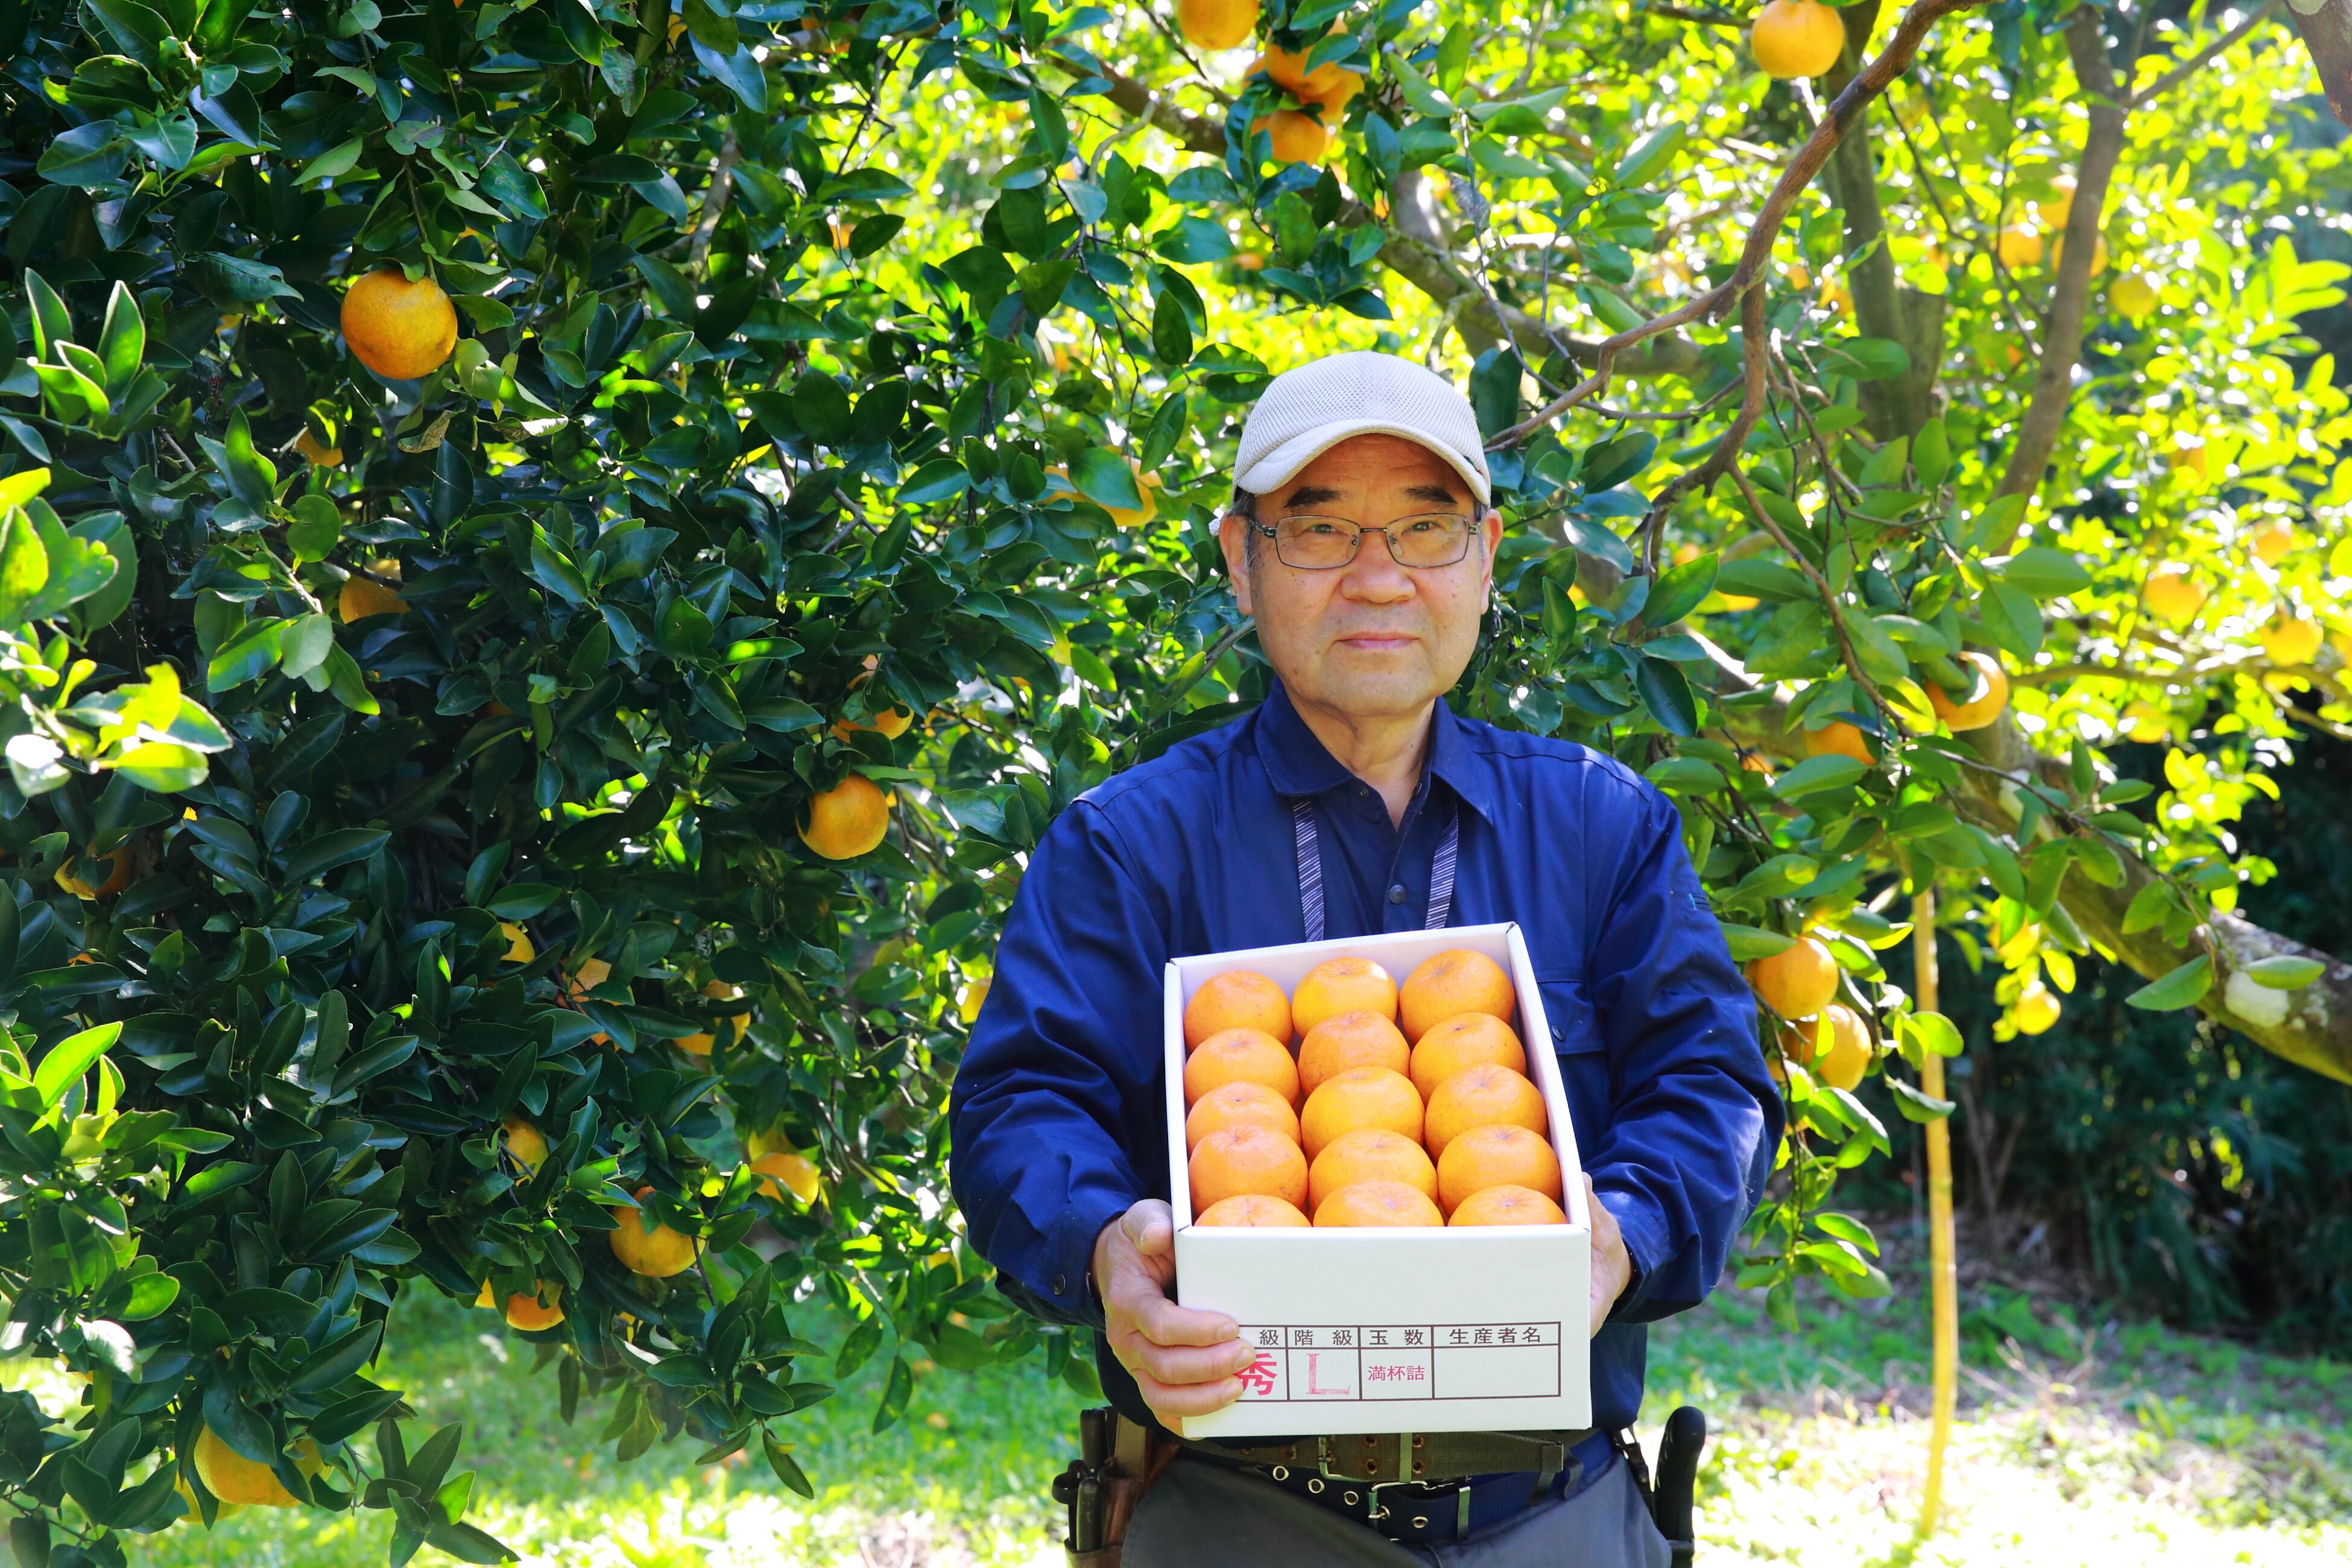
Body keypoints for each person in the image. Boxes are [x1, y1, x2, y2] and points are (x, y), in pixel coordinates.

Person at [949, 350, 1781, 1566]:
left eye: (1426, 528)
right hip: (1239, 1511)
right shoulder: (1130, 846)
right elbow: (1022, 1105)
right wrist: (1102, 1249)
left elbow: (1715, 1086)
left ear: (1486, 557)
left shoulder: (1604, 828)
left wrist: (1626, 1228)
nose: (1379, 577)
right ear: (1242, 559)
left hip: (1558, 1511)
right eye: (1322, 528)